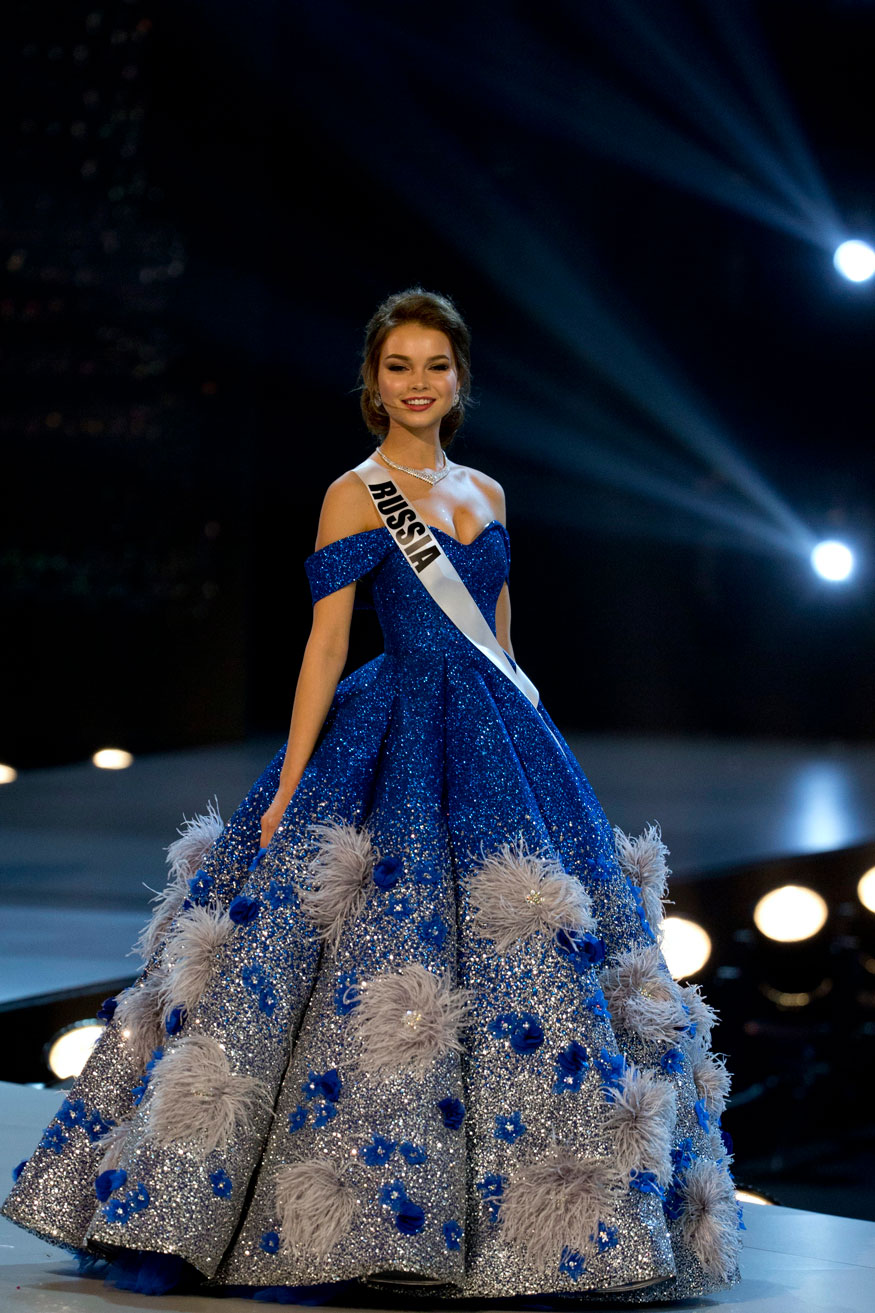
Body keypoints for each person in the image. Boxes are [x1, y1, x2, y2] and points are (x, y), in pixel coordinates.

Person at [2, 287, 743, 1304]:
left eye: (434, 365)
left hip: (498, 736)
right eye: (398, 365)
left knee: (527, 957)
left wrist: (535, 743)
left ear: (458, 379)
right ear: (372, 380)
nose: (416, 383)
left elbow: (503, 638)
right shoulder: (354, 492)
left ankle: (548, 1218)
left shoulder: (486, 491)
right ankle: (328, 1210)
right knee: (373, 949)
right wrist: (292, 783)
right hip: (386, 729)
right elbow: (324, 645)